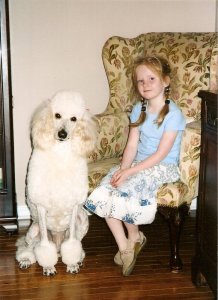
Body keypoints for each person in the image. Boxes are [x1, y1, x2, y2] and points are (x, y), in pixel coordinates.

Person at [85, 55, 186, 276]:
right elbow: (131, 145)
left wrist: (131, 171)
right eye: (141, 81)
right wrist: (123, 169)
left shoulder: (174, 115)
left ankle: (135, 237)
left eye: (151, 78)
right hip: (138, 164)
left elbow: (161, 154)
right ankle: (126, 246)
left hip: (161, 167)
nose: (146, 84)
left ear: (166, 81)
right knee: (108, 190)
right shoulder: (138, 111)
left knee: (126, 191)